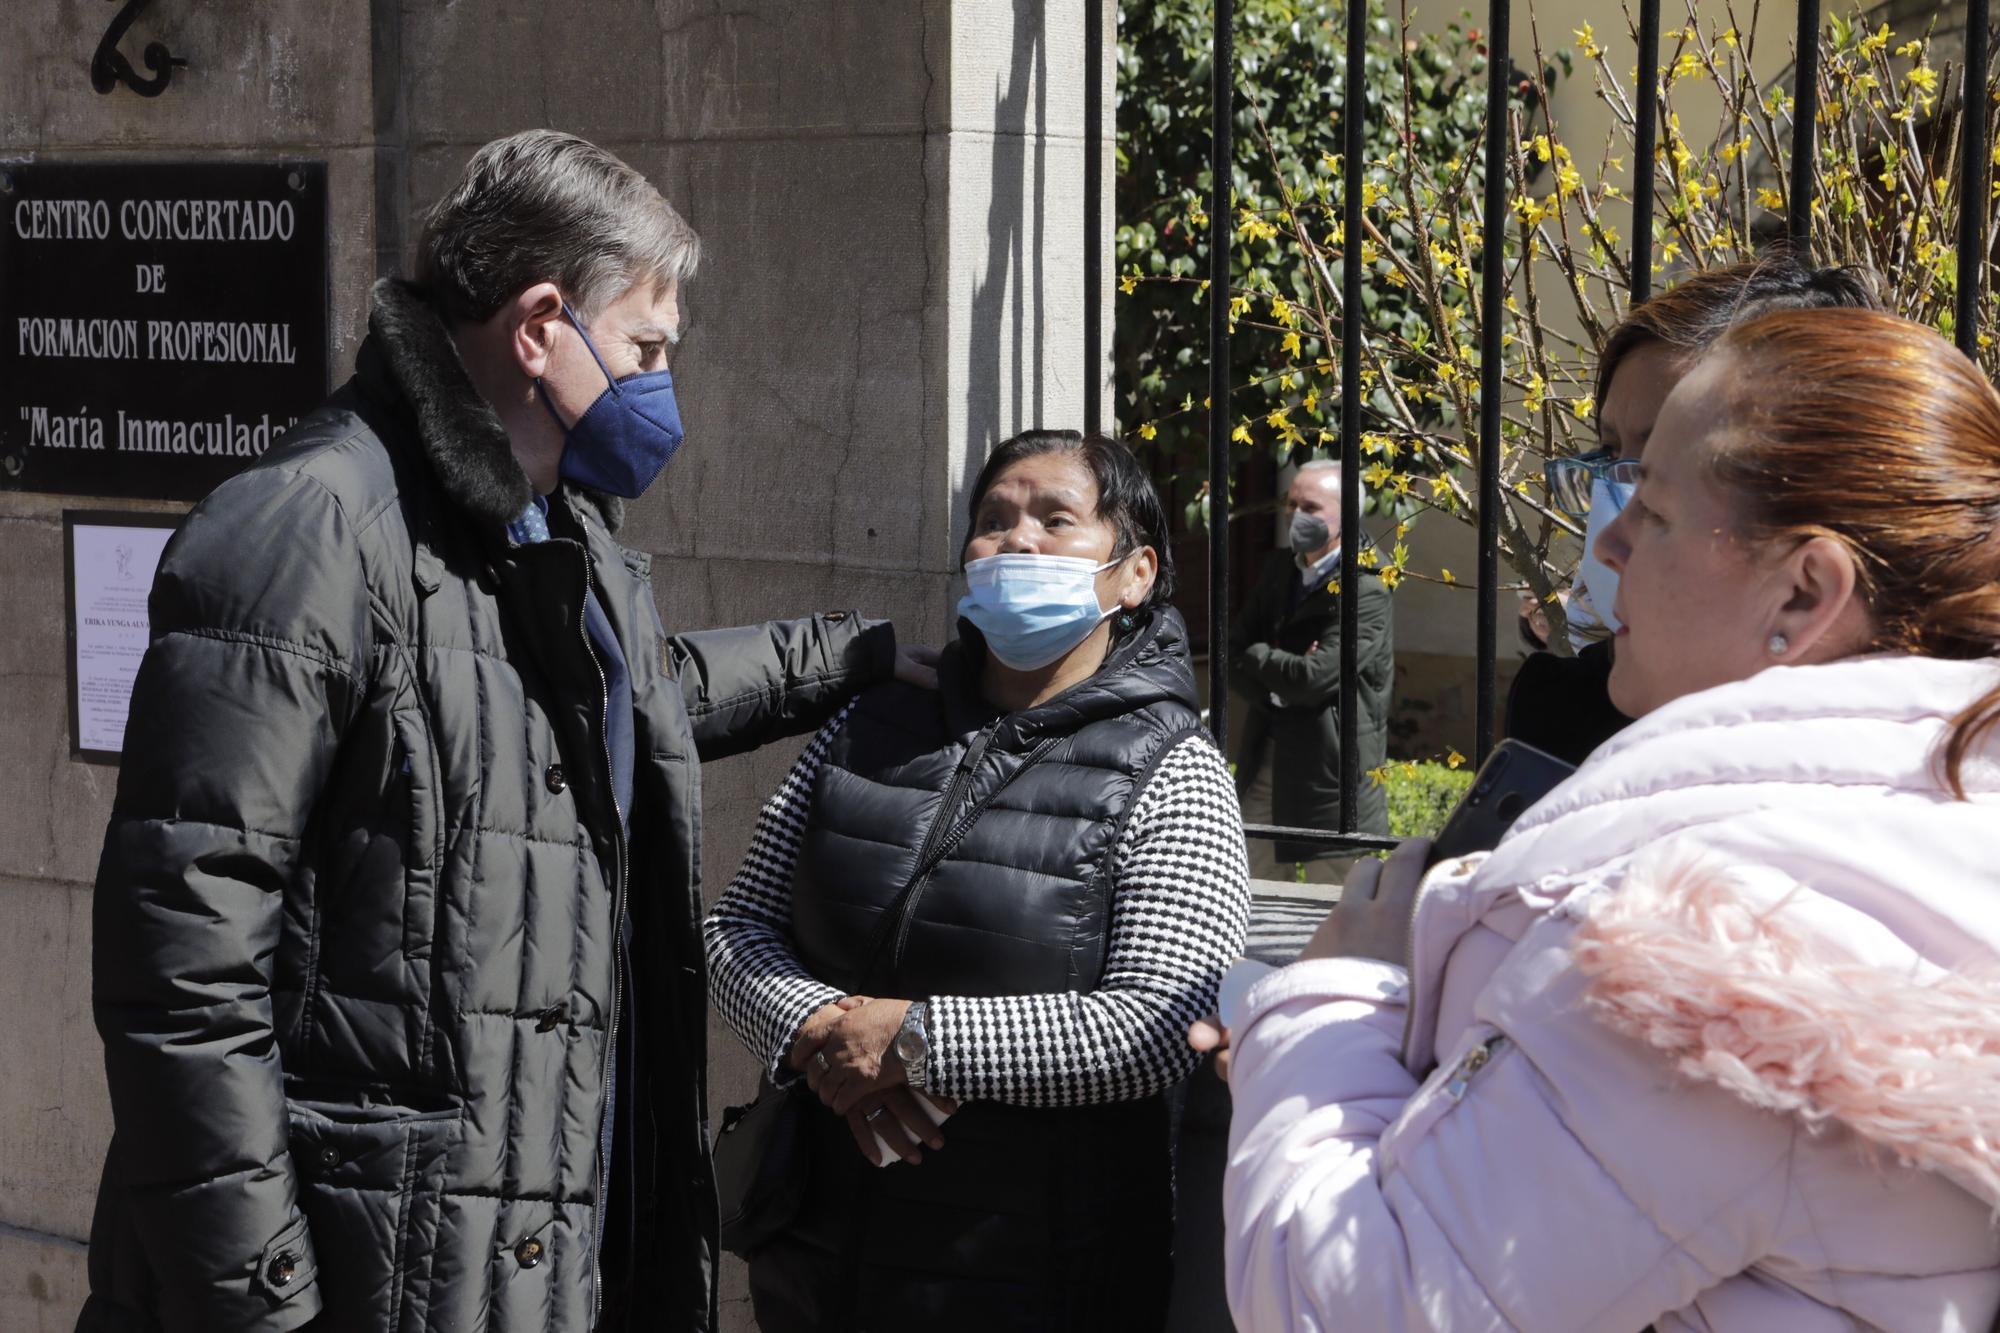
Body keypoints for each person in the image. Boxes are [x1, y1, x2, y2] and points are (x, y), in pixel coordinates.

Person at [78, 130, 934, 1333]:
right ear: (540, 328)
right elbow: (183, 971)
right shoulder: (307, 530)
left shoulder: (551, 527)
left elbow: (617, 702)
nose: (657, 383)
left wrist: (851, 656)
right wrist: (262, 1298)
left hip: (518, 1257)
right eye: (645, 346)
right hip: (364, 1274)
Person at [1203, 308, 2000, 1329]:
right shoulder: (1932, 825)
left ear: (1803, 594)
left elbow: (1349, 1305)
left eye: (1654, 510)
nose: (1611, 541)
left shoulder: (1721, 952)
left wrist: (1334, 998)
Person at [705, 429, 1251, 1331]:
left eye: (1055, 518)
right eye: (994, 520)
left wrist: (915, 1038)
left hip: (1038, 1279)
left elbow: (1163, 1022)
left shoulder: (1175, 770)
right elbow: (738, 927)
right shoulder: (868, 725)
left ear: (1135, 573)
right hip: (814, 1261)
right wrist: (818, 1029)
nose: (1018, 541)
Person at [1508, 259, 1881, 764]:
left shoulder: (1940, 760)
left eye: (1663, 466)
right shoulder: (1562, 712)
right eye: (1612, 454)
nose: (1609, 538)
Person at [1229, 458, 1393, 878]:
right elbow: (1233, 652)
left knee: (1333, 908)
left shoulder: (1367, 585)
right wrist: (1278, 676)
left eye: (1311, 507)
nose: (1296, 516)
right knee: (1251, 896)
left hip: (1333, 777)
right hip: (1270, 758)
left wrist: (1263, 656)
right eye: (1291, 504)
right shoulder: (1279, 569)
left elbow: (1315, 676)